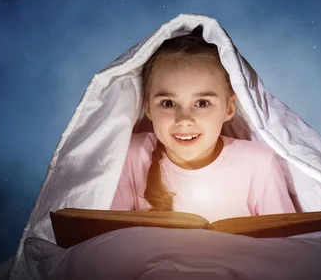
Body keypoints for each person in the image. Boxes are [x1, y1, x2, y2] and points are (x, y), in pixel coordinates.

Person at [111, 26, 295, 222]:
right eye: (168, 103)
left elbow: (286, 242)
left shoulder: (259, 163)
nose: (184, 120)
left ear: (229, 109)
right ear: (148, 108)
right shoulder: (129, 155)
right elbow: (108, 237)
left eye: (202, 103)